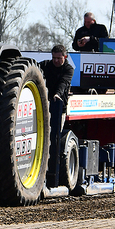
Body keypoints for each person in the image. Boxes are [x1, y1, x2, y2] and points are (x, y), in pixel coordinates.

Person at [39, 45, 74, 190]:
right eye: (54, 57)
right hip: (44, 107)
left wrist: (57, 95)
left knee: (54, 137)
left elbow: (63, 84)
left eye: (59, 58)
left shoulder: (68, 69)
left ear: (64, 57)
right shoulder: (46, 65)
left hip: (59, 108)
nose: (56, 61)